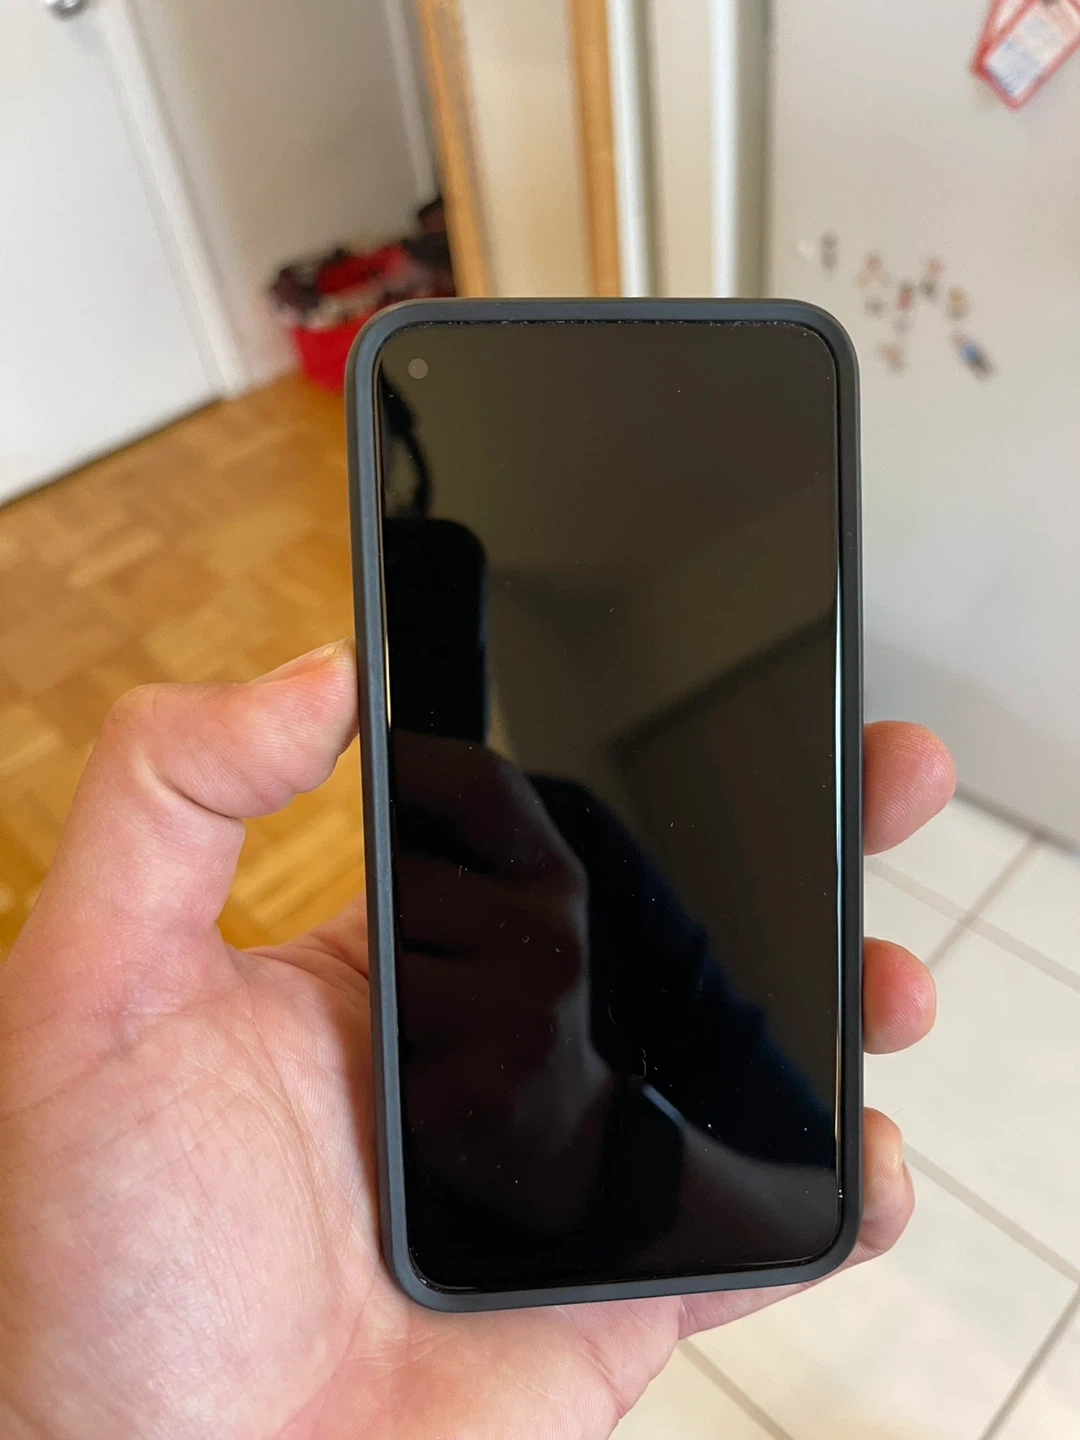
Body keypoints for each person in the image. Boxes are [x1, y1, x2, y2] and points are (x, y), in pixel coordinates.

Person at [0, 640, 953, 1439]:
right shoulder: (566, 839)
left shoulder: (578, 844)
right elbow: (797, 1179)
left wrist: (596, 1141)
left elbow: (794, 1167)